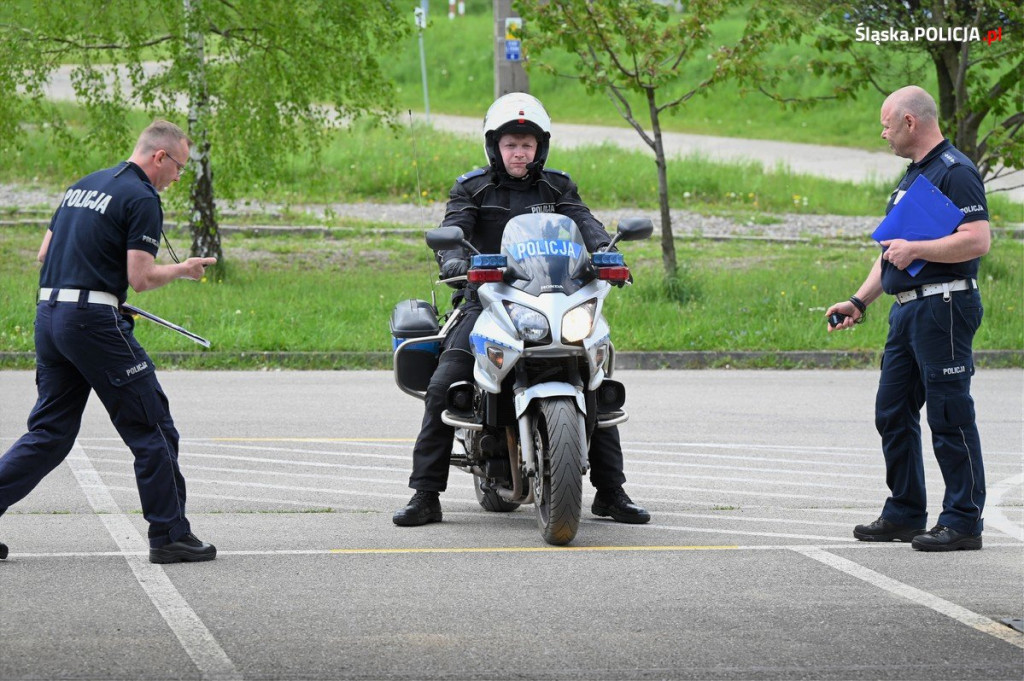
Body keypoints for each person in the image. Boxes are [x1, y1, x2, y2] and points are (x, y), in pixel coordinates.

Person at [393, 92, 650, 527]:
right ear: (495, 145)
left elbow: (584, 223)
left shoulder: (558, 186)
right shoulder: (472, 188)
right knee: (443, 385)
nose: (519, 152)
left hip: (553, 297)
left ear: (540, 147)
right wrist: (454, 257)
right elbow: (454, 228)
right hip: (488, 298)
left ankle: (611, 492)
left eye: (527, 145)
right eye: (511, 144)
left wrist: (609, 254)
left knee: (595, 378)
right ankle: (425, 494)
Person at [0, 120, 218, 564]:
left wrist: (97, 284)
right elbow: (140, 278)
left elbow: (45, 255)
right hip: (92, 324)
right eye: (178, 167)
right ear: (160, 157)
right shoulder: (142, 197)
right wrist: (185, 269)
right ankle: (170, 534)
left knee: (50, 432)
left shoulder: (82, 185)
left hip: (50, 317)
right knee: (152, 426)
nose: (178, 178)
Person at [827, 86, 990, 552]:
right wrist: (858, 302)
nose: (884, 133)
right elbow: (890, 255)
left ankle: (962, 521)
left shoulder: (955, 172)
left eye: (886, 124)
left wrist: (918, 249)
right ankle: (904, 512)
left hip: (944, 306)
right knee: (892, 411)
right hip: (906, 311)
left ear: (910, 122)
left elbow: (977, 240)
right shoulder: (912, 178)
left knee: (948, 414)